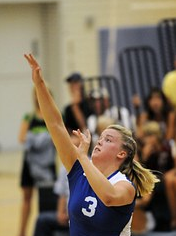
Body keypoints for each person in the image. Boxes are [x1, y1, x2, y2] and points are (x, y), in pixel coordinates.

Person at [23, 54, 159, 236]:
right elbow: (56, 125)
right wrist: (39, 84)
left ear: (121, 154)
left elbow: (109, 197)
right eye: (101, 137)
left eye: (108, 139)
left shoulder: (124, 186)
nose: (100, 141)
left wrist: (81, 156)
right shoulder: (79, 171)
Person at [18, 88, 57, 236]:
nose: (37, 96)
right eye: (35, 93)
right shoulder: (29, 117)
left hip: (47, 165)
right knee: (26, 198)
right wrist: (41, 139)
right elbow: (21, 137)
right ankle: (21, 232)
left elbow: (62, 135)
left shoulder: (54, 116)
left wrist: (39, 138)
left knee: (48, 198)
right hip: (30, 164)